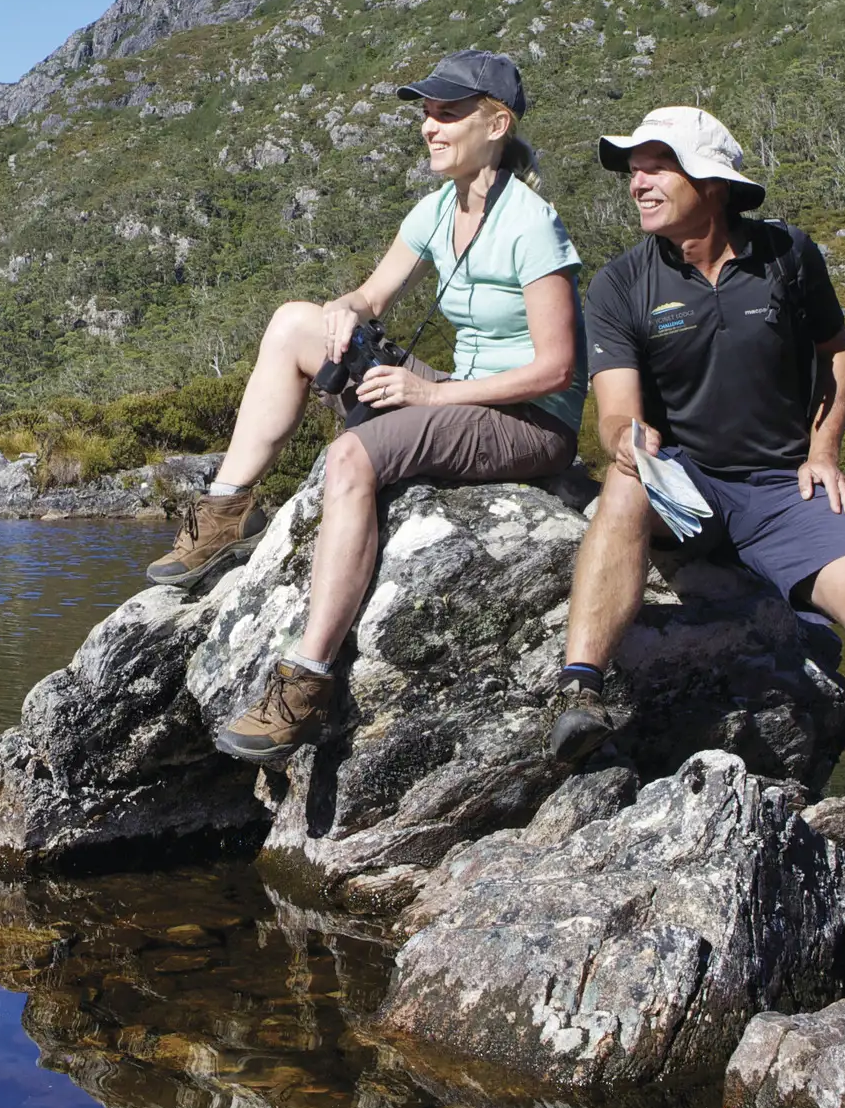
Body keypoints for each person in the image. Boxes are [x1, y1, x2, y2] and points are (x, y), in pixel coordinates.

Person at [550, 105, 845, 833]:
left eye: (654, 164)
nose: (636, 181)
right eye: (632, 168)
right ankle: (580, 689)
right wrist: (626, 437)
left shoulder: (787, 256)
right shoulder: (620, 284)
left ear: (709, 181)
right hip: (685, 486)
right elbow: (615, 409)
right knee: (624, 476)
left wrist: (822, 452)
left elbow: (834, 350)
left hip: (783, 488)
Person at [139, 49, 585, 767]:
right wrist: (341, 312)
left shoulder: (531, 226)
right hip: (463, 396)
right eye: (425, 113)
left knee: (350, 456)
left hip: (529, 420)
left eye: (447, 113)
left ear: (496, 122)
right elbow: (370, 297)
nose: (428, 127)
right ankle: (223, 514)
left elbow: (557, 367)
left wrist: (429, 393)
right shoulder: (439, 207)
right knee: (294, 323)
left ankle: (305, 681)